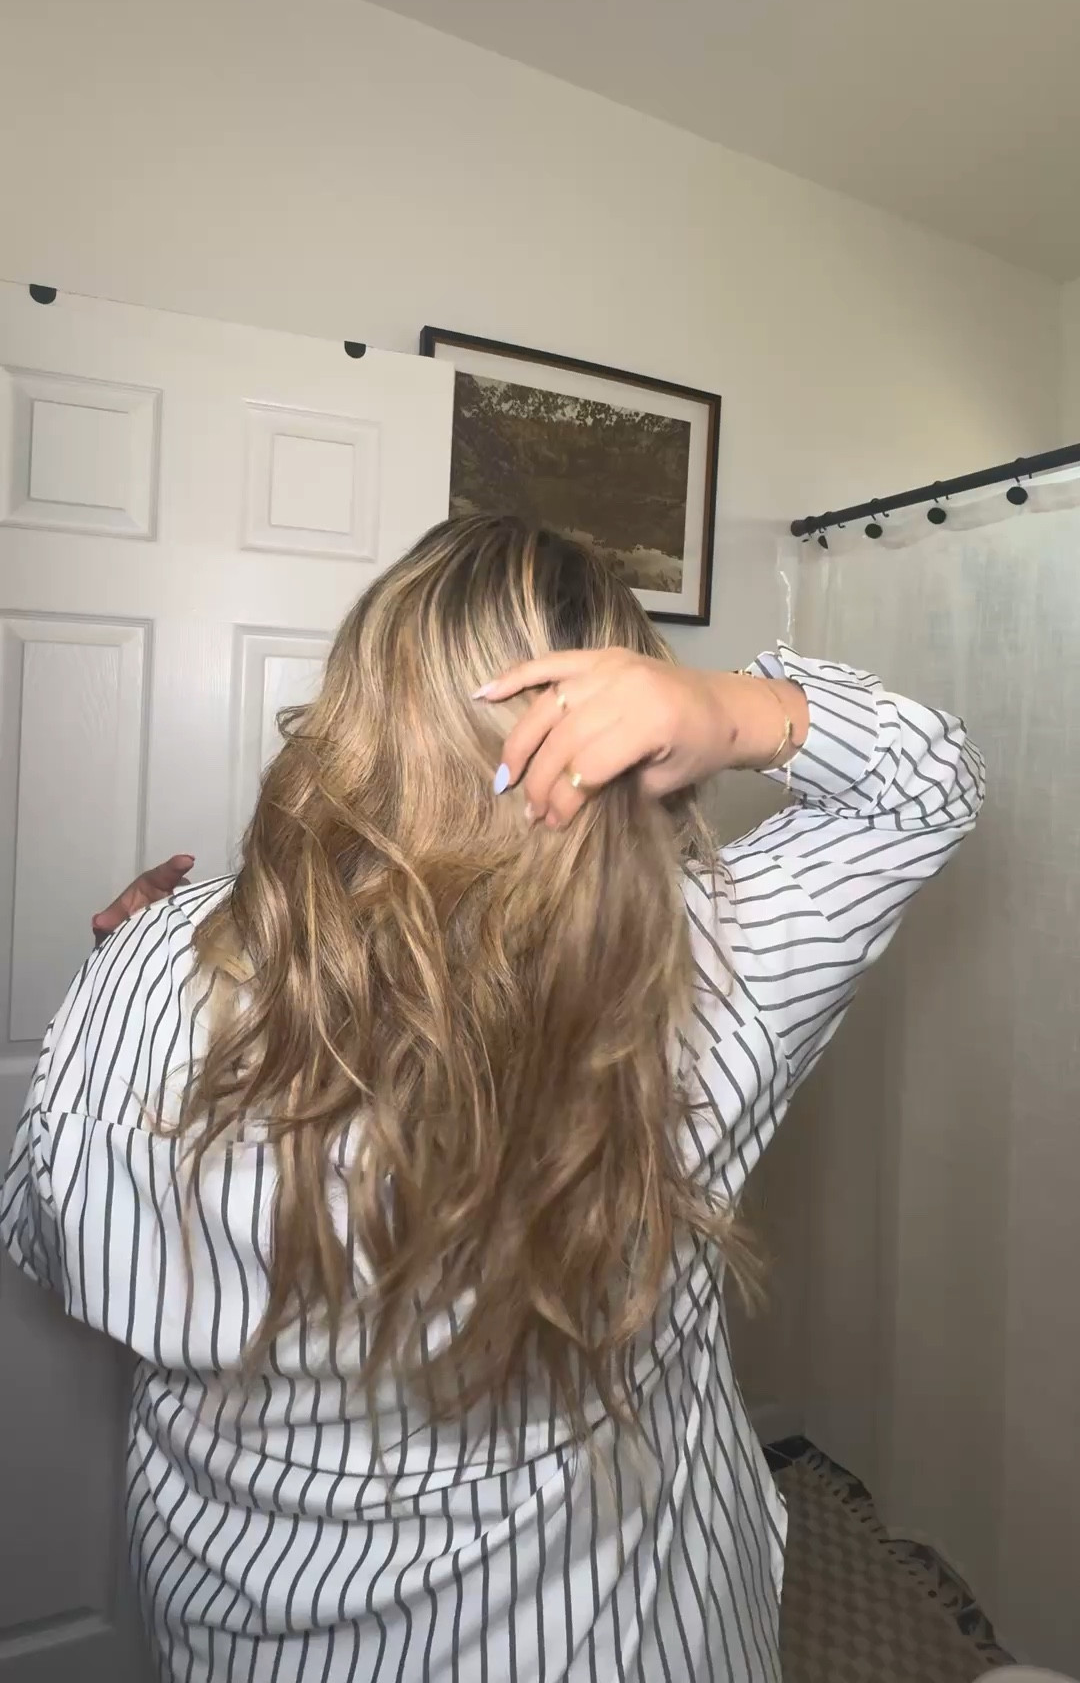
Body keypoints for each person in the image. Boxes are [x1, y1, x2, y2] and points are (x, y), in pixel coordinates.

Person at [0, 514, 984, 1683]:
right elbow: (926, 786)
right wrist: (732, 712)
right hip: (612, 1635)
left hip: (242, 1621)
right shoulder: (712, 965)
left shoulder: (159, 958)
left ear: (365, 701)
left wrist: (137, 990)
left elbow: (56, 1241)